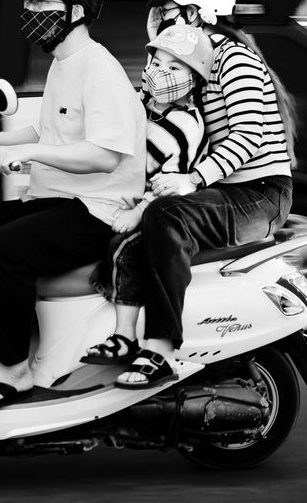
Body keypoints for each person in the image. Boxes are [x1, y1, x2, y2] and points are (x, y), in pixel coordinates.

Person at [0, 0, 147, 409]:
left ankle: (15, 369)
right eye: (31, 2)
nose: (30, 10)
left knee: (3, 249)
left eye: (43, 2)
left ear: (76, 12)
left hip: (97, 210)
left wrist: (19, 155)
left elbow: (104, 154)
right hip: (56, 198)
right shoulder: (64, 63)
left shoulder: (99, 71)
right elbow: (48, 133)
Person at [114, 0, 295, 390]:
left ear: (195, 13)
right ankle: (120, 336)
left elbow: (250, 133)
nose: (164, 23)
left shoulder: (234, 58)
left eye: (170, 12)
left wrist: (191, 181)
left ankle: (159, 350)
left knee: (166, 216)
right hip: (228, 191)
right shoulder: (190, 62)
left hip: (260, 194)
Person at [80, 23, 211, 366]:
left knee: (124, 249)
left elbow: (166, 185)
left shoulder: (184, 126)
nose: (159, 73)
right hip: (125, 195)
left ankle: (125, 335)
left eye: (174, 67)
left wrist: (138, 212)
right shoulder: (144, 102)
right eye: (156, 63)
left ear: (194, 78)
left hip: (161, 206)